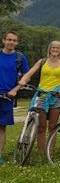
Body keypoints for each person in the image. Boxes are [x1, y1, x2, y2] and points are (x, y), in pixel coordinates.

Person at [17, 41, 60, 154]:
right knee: (41, 126)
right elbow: (30, 72)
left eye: (58, 48)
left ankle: (49, 153)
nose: (55, 49)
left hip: (55, 96)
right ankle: (42, 152)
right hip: (42, 95)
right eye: (53, 47)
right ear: (49, 49)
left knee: (53, 126)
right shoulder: (42, 61)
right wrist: (23, 80)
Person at [0, 30, 30, 165]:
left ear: (17, 42)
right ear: (3, 40)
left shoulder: (20, 58)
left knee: (1, 128)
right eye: (9, 39)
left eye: (14, 40)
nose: (11, 42)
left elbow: (26, 76)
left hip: (7, 97)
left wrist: (16, 89)